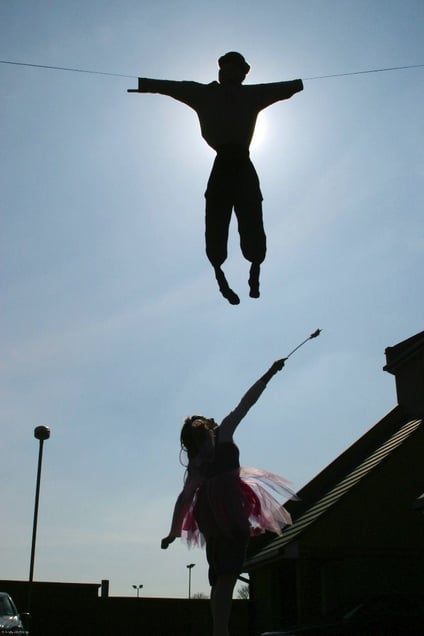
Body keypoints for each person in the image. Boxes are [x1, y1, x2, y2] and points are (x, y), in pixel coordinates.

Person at [128, 52, 303, 304]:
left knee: (250, 215)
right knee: (217, 219)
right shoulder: (207, 94)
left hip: (241, 163)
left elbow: (277, 89)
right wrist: (144, 84)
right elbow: (173, 88)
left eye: (240, 73)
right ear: (223, 72)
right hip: (225, 164)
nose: (236, 76)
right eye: (233, 71)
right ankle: (222, 275)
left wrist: (297, 85)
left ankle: (254, 267)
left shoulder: (248, 95)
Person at [161, 358, 297, 636]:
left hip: (209, 517)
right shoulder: (223, 434)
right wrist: (269, 373)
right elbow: (246, 404)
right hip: (229, 512)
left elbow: (185, 498)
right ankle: (220, 631)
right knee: (227, 575)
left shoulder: (198, 463)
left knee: (221, 577)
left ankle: (218, 629)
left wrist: (174, 531)